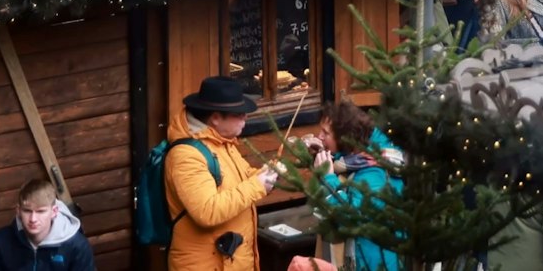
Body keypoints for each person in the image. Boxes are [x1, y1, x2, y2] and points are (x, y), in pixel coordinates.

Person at [165, 77, 280, 271]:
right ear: (216, 118)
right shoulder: (186, 155)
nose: (246, 118)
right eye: (239, 114)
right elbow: (207, 211)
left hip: (231, 261)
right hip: (207, 265)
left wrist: (275, 171)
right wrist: (258, 186)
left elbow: (243, 178)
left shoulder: (221, 141)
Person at [305, 98, 403, 271]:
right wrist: (323, 155)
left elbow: (350, 219)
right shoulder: (361, 155)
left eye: (325, 133)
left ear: (345, 137)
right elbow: (349, 160)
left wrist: (328, 179)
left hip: (375, 262)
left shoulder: (373, 175)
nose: (319, 136)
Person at [0, 175, 94, 271]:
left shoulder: (77, 246)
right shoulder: (0, 242)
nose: (33, 219)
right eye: (27, 211)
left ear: (54, 211)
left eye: (40, 211)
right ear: (18, 211)